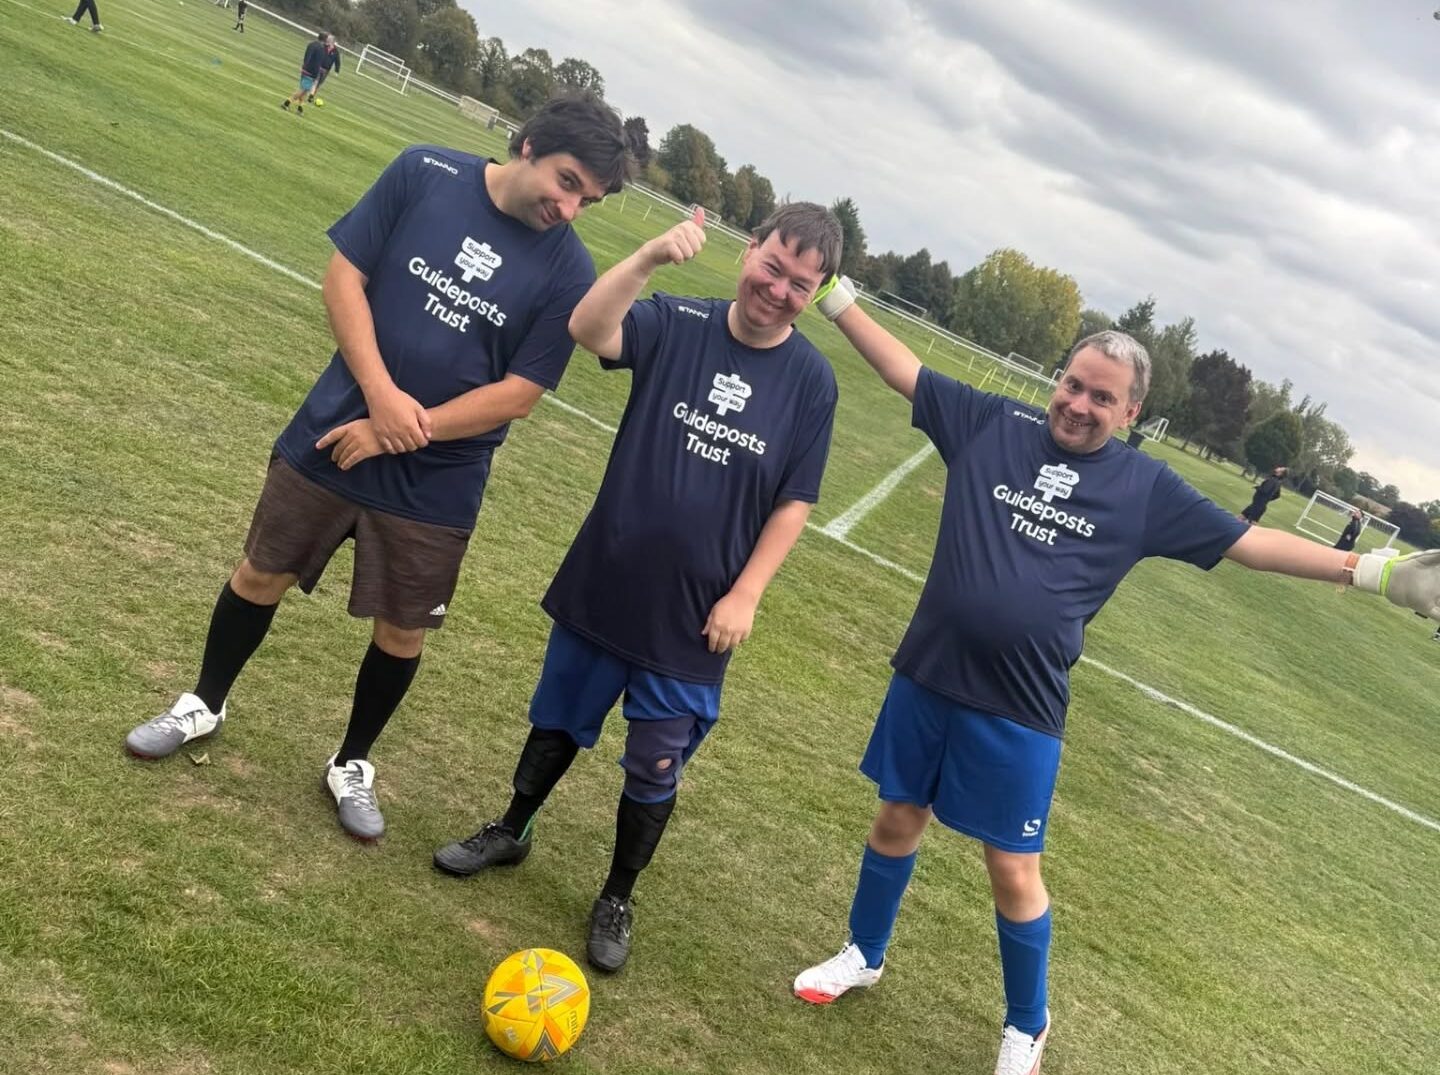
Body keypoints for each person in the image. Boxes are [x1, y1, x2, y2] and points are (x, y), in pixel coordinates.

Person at [790, 280, 1440, 1075]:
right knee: (896, 815)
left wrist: (1371, 572)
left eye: (1102, 397)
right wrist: (832, 293)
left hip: (1019, 704)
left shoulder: (1145, 488)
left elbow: (1250, 544)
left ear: (1131, 411)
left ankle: (1027, 1024)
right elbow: (907, 371)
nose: (1079, 404)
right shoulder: (993, 423)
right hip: (929, 671)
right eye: (1073, 384)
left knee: (1011, 867)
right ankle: (864, 951)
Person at [123, 94, 632, 844]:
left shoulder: (570, 270)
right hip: (332, 430)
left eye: (587, 200)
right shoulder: (424, 172)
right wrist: (381, 396)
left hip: (437, 481)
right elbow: (343, 279)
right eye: (567, 183)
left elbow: (519, 394)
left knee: (402, 629)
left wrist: (397, 429)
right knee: (260, 572)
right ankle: (203, 703)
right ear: (528, 145)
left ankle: (352, 762)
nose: (570, 208)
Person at [432, 202, 843, 974]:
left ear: (816, 292)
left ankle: (618, 894)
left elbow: (794, 500)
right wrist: (649, 257)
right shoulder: (679, 321)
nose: (778, 289)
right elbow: (590, 328)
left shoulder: (812, 382)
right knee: (557, 723)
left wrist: (746, 593)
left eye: (800, 283)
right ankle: (512, 828)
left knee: (655, 763)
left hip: (696, 616)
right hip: (609, 578)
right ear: (748, 251)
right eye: (772, 267)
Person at [282, 32, 330, 115]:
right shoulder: (321, 48)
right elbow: (314, 60)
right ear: (325, 39)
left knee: (305, 91)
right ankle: (286, 103)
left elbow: (310, 58)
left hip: (308, 70)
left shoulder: (312, 45)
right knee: (303, 89)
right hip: (311, 72)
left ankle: (300, 109)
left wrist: (306, 67)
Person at [309, 34, 341, 105]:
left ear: (333, 42)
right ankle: (311, 96)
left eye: (329, 40)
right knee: (315, 81)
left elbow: (337, 61)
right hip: (318, 67)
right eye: (327, 39)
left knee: (319, 84)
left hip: (326, 70)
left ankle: (312, 95)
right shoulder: (323, 47)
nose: (327, 41)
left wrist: (337, 70)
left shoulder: (336, 51)